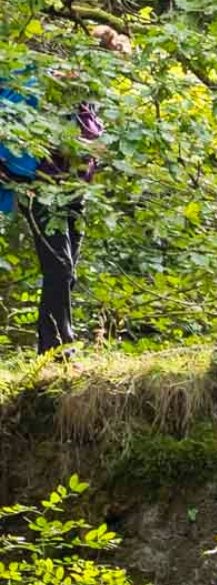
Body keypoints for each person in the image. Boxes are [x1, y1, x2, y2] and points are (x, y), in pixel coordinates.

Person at [0, 24, 129, 352]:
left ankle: (55, 342)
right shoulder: (55, 86)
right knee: (58, 266)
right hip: (42, 191)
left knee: (66, 271)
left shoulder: (88, 103)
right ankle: (57, 345)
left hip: (75, 194)